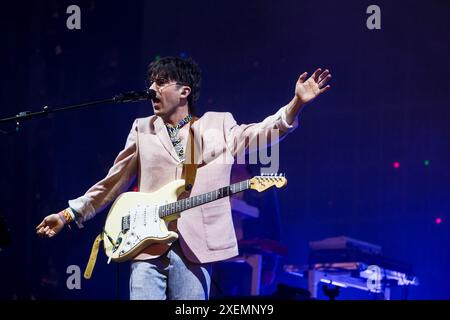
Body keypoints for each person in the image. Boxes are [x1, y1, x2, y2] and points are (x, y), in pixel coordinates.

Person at [36, 56, 331, 300]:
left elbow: (261, 132)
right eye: (151, 82)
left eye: (161, 82)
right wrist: (68, 213)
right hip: (144, 244)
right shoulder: (142, 129)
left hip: (195, 247)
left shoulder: (218, 125)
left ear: (184, 91)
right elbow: (112, 182)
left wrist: (296, 104)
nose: (152, 88)